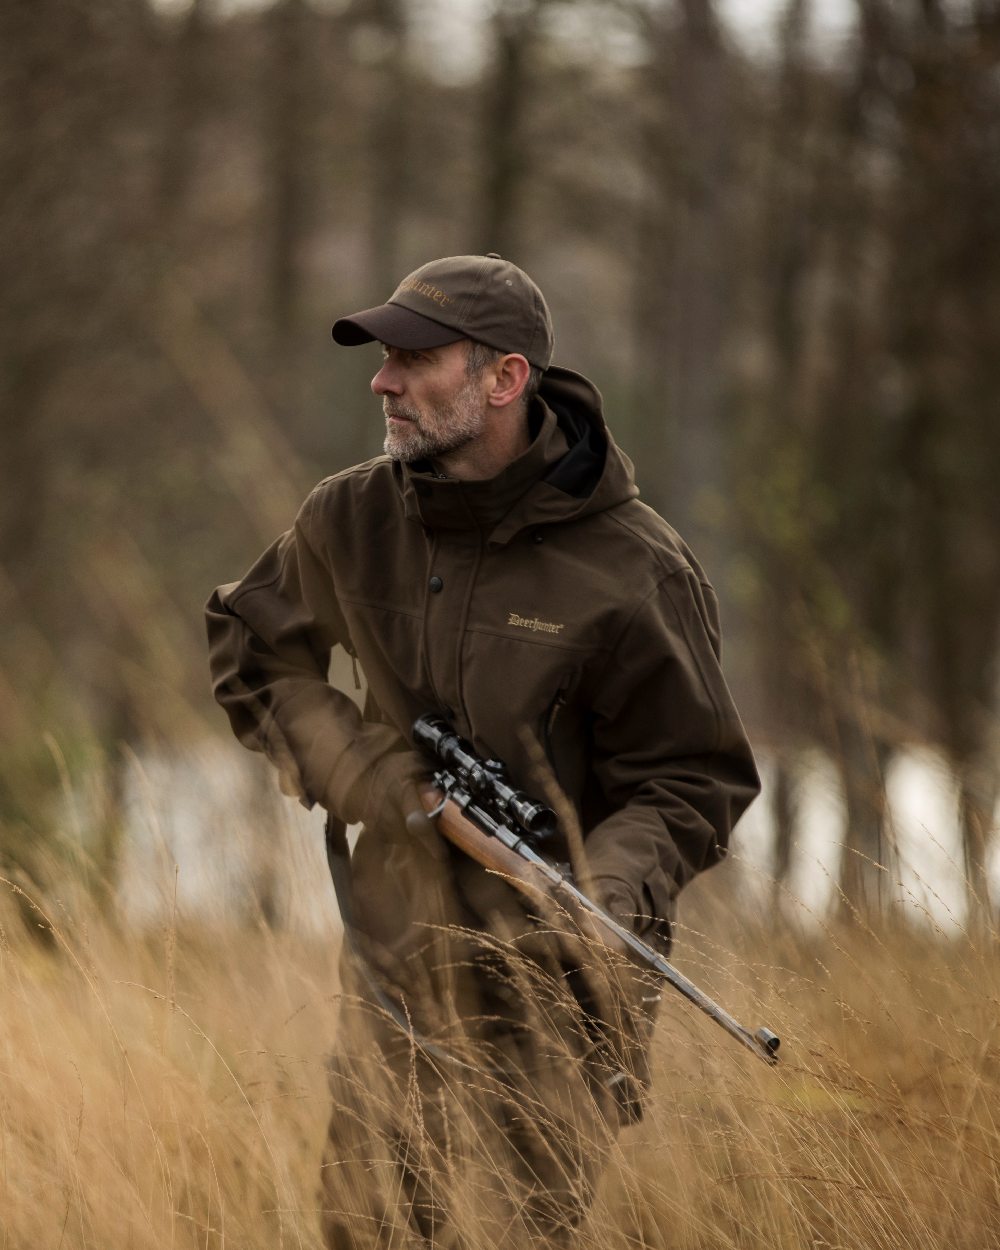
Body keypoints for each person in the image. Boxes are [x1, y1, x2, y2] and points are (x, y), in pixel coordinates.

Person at [206, 253, 760, 1248]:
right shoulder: (352, 517)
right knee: (365, 1229)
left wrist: (602, 887)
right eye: (384, 357)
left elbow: (694, 776)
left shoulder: (638, 570)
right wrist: (377, 778)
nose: (382, 381)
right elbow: (253, 649)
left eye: (414, 359)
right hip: (396, 968)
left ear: (503, 379)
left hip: (561, 997)